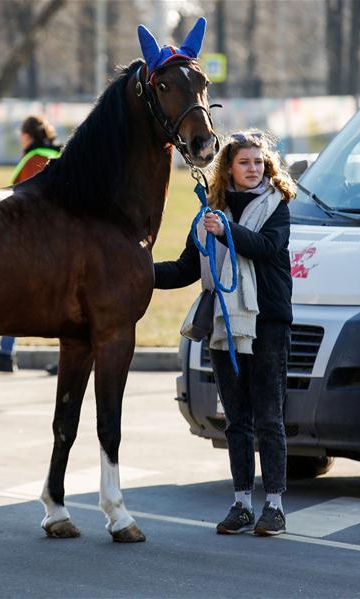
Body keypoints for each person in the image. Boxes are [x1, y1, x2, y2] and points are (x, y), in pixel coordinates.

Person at [154, 130, 296, 536]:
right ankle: (241, 504)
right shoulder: (209, 215)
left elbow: (267, 247)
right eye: (244, 163)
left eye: (259, 163)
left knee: (269, 416)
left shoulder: (276, 206)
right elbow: (185, 268)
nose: (253, 170)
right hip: (224, 323)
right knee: (236, 419)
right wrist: (140, 273)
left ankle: (275, 506)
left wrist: (226, 232)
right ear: (228, 169)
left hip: (267, 321)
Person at [0, 115, 61, 374]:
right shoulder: (56, 153)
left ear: (27, 135)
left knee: (18, 294)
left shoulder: (34, 158)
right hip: (57, 235)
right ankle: (6, 352)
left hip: (36, 239)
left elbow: (26, 197)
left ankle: (6, 353)